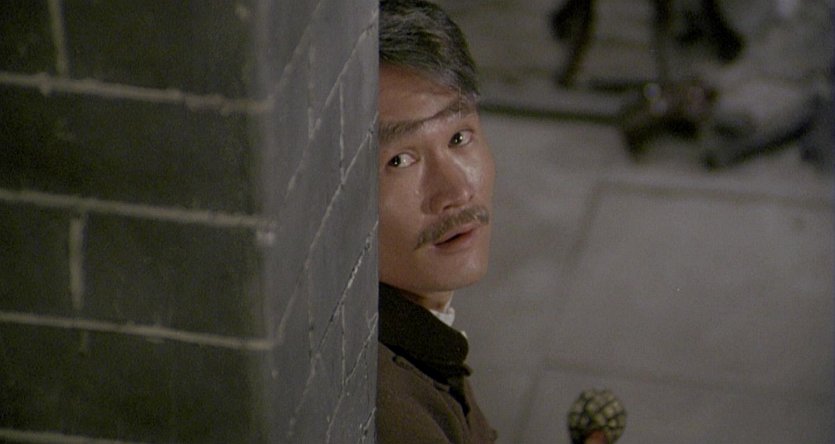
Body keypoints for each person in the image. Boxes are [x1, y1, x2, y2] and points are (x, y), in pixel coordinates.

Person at [375, 1, 498, 443]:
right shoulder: (394, 417)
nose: (456, 190)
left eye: (459, 137)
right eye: (400, 160)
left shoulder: (422, 335)